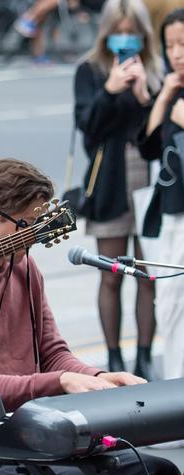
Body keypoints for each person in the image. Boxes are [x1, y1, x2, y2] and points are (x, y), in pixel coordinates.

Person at [0, 159, 181, 475]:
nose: (35, 237)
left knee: (154, 472)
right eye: (28, 224)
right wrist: (62, 381)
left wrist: (98, 378)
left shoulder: (25, 270)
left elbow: (53, 353)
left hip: (29, 432)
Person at [74, 0, 163, 380]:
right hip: (109, 180)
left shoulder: (158, 71)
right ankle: (113, 356)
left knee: (147, 274)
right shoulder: (90, 70)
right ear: (106, 34)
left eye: (133, 33)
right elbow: (88, 130)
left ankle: (144, 356)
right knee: (110, 273)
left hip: (148, 177)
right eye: (118, 32)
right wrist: (110, 90)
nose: (125, 41)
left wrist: (144, 95)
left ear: (143, 36)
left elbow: (163, 139)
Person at [139, 7, 184, 382]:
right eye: (170, 45)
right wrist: (163, 97)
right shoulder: (173, 90)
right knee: (168, 304)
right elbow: (150, 148)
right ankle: (175, 393)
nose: (176, 53)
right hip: (172, 211)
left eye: (183, 44)